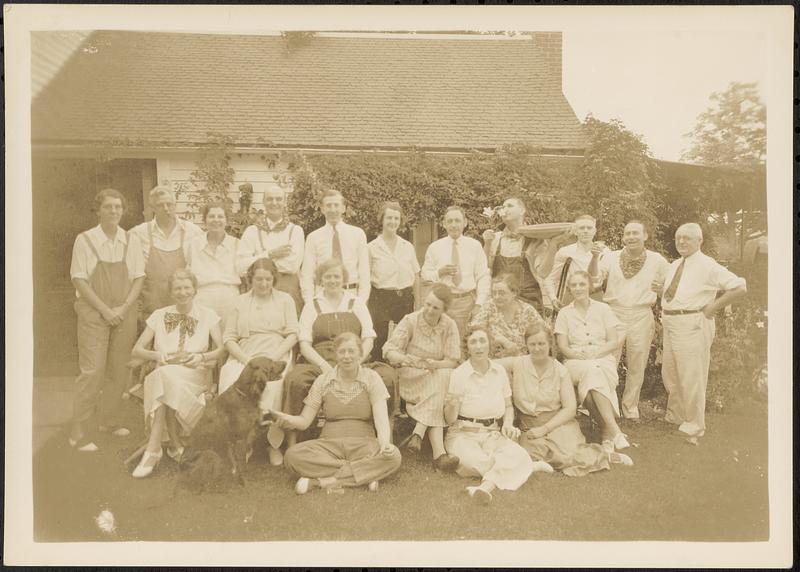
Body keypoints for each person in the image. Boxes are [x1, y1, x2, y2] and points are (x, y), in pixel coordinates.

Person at [283, 258, 396, 448]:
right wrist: (323, 365)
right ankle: (291, 441)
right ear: (321, 280)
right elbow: (304, 344)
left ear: (343, 278)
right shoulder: (312, 305)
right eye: (328, 277)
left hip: (354, 359)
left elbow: (368, 337)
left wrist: (358, 361)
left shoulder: (356, 302)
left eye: (337, 276)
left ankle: (385, 438)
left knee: (388, 376)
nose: (333, 281)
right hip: (320, 362)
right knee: (295, 380)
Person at [498, 322, 633, 477]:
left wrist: (545, 429)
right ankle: (547, 461)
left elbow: (569, 409)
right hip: (530, 426)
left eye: (541, 343)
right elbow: (487, 365)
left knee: (569, 454)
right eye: (532, 344)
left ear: (550, 344)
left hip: (558, 423)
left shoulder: (560, 371)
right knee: (527, 453)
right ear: (526, 345)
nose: (537, 348)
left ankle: (606, 456)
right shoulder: (518, 363)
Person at [274, 332, 402, 494]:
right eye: (342, 352)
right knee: (292, 456)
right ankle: (365, 474)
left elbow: (382, 420)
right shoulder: (323, 380)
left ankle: (322, 482)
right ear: (335, 355)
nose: (347, 356)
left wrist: (384, 444)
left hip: (364, 446)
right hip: (329, 447)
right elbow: (305, 420)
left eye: (351, 351)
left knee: (394, 456)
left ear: (360, 354)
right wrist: (288, 419)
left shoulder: (372, 378)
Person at [68, 189, 146, 451]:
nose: (114, 211)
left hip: (123, 312)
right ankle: (78, 430)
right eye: (109, 207)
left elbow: (138, 277)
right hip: (94, 312)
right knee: (93, 370)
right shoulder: (86, 240)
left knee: (119, 368)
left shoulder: (130, 239)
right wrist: (105, 309)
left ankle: (108, 420)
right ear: (98, 210)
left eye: (118, 207)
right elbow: (78, 278)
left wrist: (123, 308)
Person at [130, 269, 225, 478]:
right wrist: (157, 355)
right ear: (171, 293)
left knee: (163, 378)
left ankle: (155, 449)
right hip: (165, 372)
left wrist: (201, 358)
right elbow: (137, 350)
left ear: (195, 290)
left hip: (195, 373)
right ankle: (168, 445)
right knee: (165, 376)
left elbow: (221, 349)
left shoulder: (208, 315)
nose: (182, 293)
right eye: (178, 289)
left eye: (187, 288)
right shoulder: (159, 315)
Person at [656, 223, 747, 440]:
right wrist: (660, 291)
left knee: (691, 374)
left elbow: (740, 286)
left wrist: (714, 307)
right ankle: (676, 415)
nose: (681, 242)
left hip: (692, 323)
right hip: (671, 322)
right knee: (671, 372)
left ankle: (695, 424)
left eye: (687, 238)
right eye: (678, 238)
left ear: (700, 241)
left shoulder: (708, 265)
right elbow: (679, 292)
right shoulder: (676, 263)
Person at [443, 328, 542, 505]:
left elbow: (508, 406)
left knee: (511, 454)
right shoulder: (459, 374)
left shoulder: (499, 371)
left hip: (492, 433)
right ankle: (526, 466)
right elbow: (450, 419)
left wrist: (508, 424)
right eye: (473, 342)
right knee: (475, 461)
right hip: (462, 434)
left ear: (489, 344)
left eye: (482, 341)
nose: (478, 346)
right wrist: (451, 404)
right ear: (467, 347)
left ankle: (484, 488)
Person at [219, 258, 298, 465]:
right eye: (258, 279)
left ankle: (271, 444)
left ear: (274, 279)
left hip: (275, 353)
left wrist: (273, 358)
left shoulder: (285, 300)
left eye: (268, 279)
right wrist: (246, 360)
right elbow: (228, 338)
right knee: (230, 377)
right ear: (250, 279)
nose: (263, 284)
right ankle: (242, 442)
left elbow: (292, 334)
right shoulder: (239, 301)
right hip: (246, 353)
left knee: (274, 385)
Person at [590, 220, 670, 420]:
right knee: (609, 361)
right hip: (614, 312)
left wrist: (663, 290)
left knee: (637, 363)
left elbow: (672, 282)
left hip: (641, 314)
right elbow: (595, 280)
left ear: (645, 236)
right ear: (623, 237)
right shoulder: (610, 256)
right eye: (627, 234)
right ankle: (607, 408)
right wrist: (593, 258)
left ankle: (630, 408)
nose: (631, 237)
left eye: (636, 233)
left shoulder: (657, 260)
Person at [383, 284, 461, 472]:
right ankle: (438, 453)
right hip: (411, 376)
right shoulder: (410, 320)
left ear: (444, 310)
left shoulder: (449, 325)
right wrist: (406, 359)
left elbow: (452, 361)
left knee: (443, 375)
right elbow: (388, 351)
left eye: (435, 308)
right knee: (442, 381)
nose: (429, 310)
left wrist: (435, 365)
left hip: (435, 375)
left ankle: (420, 434)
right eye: (427, 304)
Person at [554, 270, 629, 451]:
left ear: (589, 286)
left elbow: (612, 341)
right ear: (570, 289)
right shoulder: (564, 313)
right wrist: (575, 355)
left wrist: (596, 353)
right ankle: (614, 431)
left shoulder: (603, 309)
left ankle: (606, 431)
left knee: (594, 375)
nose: (578, 288)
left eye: (582, 284)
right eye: (574, 285)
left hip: (602, 357)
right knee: (593, 372)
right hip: (575, 361)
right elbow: (563, 347)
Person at [482, 197, 573, 315]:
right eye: (503, 207)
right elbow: (484, 268)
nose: (504, 209)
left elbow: (543, 273)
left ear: (522, 210)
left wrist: (553, 244)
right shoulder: (495, 238)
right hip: (501, 302)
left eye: (509, 206)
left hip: (529, 302)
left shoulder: (535, 240)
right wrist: (487, 244)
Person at [130, 186, 203, 315]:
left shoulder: (193, 232)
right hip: (152, 307)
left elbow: (203, 267)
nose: (166, 208)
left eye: (169, 204)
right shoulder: (138, 233)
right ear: (152, 208)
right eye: (160, 205)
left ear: (175, 205)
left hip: (184, 305)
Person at [421, 205, 490, 340]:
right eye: (450, 221)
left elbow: (483, 276)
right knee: (439, 341)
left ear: (465, 223)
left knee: (462, 343)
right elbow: (425, 275)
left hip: (465, 302)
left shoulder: (474, 246)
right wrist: (439, 273)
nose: (454, 225)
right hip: (441, 302)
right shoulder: (435, 247)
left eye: (457, 221)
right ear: (444, 224)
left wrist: (479, 304)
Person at [237, 187, 305, 313]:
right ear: (263, 202)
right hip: (258, 294)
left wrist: (257, 262)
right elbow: (241, 267)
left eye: (278, 199)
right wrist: (271, 254)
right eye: (270, 199)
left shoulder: (295, 231)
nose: (274, 203)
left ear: (284, 202)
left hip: (288, 293)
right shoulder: (252, 231)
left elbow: (292, 266)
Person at [367, 201, 420, 362]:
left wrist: (417, 302)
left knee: (404, 339)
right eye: (389, 218)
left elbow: (416, 275)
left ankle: (402, 373)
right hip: (381, 299)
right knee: (380, 339)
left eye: (396, 218)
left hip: (404, 299)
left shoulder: (407, 246)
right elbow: (366, 278)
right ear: (382, 220)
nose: (392, 222)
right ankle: (381, 372)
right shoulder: (372, 247)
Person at [300, 189, 370, 304]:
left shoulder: (358, 234)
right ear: (322, 209)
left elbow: (364, 272)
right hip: (322, 296)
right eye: (328, 205)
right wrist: (310, 303)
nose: (333, 210)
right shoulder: (313, 238)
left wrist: (361, 301)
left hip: (351, 295)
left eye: (336, 205)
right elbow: (307, 274)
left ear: (343, 208)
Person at [186, 202, 241, 327]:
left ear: (226, 221)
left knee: (228, 338)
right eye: (211, 216)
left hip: (229, 297)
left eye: (220, 216)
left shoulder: (237, 244)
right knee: (201, 339)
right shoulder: (193, 244)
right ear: (205, 220)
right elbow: (187, 273)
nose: (216, 220)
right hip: (201, 297)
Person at [468, 273, 545, 358]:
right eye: (494, 293)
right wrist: (501, 340)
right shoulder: (489, 306)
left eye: (501, 293)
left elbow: (544, 333)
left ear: (514, 293)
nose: (497, 297)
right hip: (493, 360)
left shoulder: (527, 311)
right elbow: (474, 329)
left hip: (522, 359)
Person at [543, 214, 608, 312]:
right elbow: (550, 278)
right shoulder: (565, 252)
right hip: (572, 297)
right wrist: (553, 298)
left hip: (596, 296)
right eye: (582, 228)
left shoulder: (605, 251)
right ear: (576, 231)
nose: (585, 231)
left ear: (594, 231)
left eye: (589, 228)